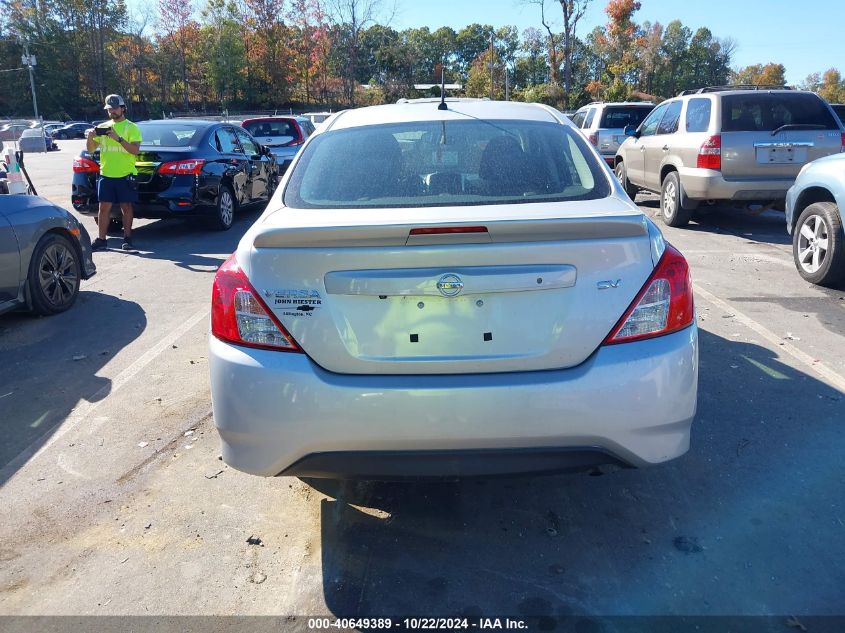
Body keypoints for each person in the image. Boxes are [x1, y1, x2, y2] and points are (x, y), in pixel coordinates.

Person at [85, 94, 142, 251]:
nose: (113, 111)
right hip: (106, 174)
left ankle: (127, 239)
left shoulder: (132, 128)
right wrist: (90, 137)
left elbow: (135, 150)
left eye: (115, 108)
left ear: (123, 108)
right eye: (110, 109)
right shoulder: (102, 127)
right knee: (103, 208)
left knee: (126, 207)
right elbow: (91, 149)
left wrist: (118, 138)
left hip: (125, 174)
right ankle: (101, 240)